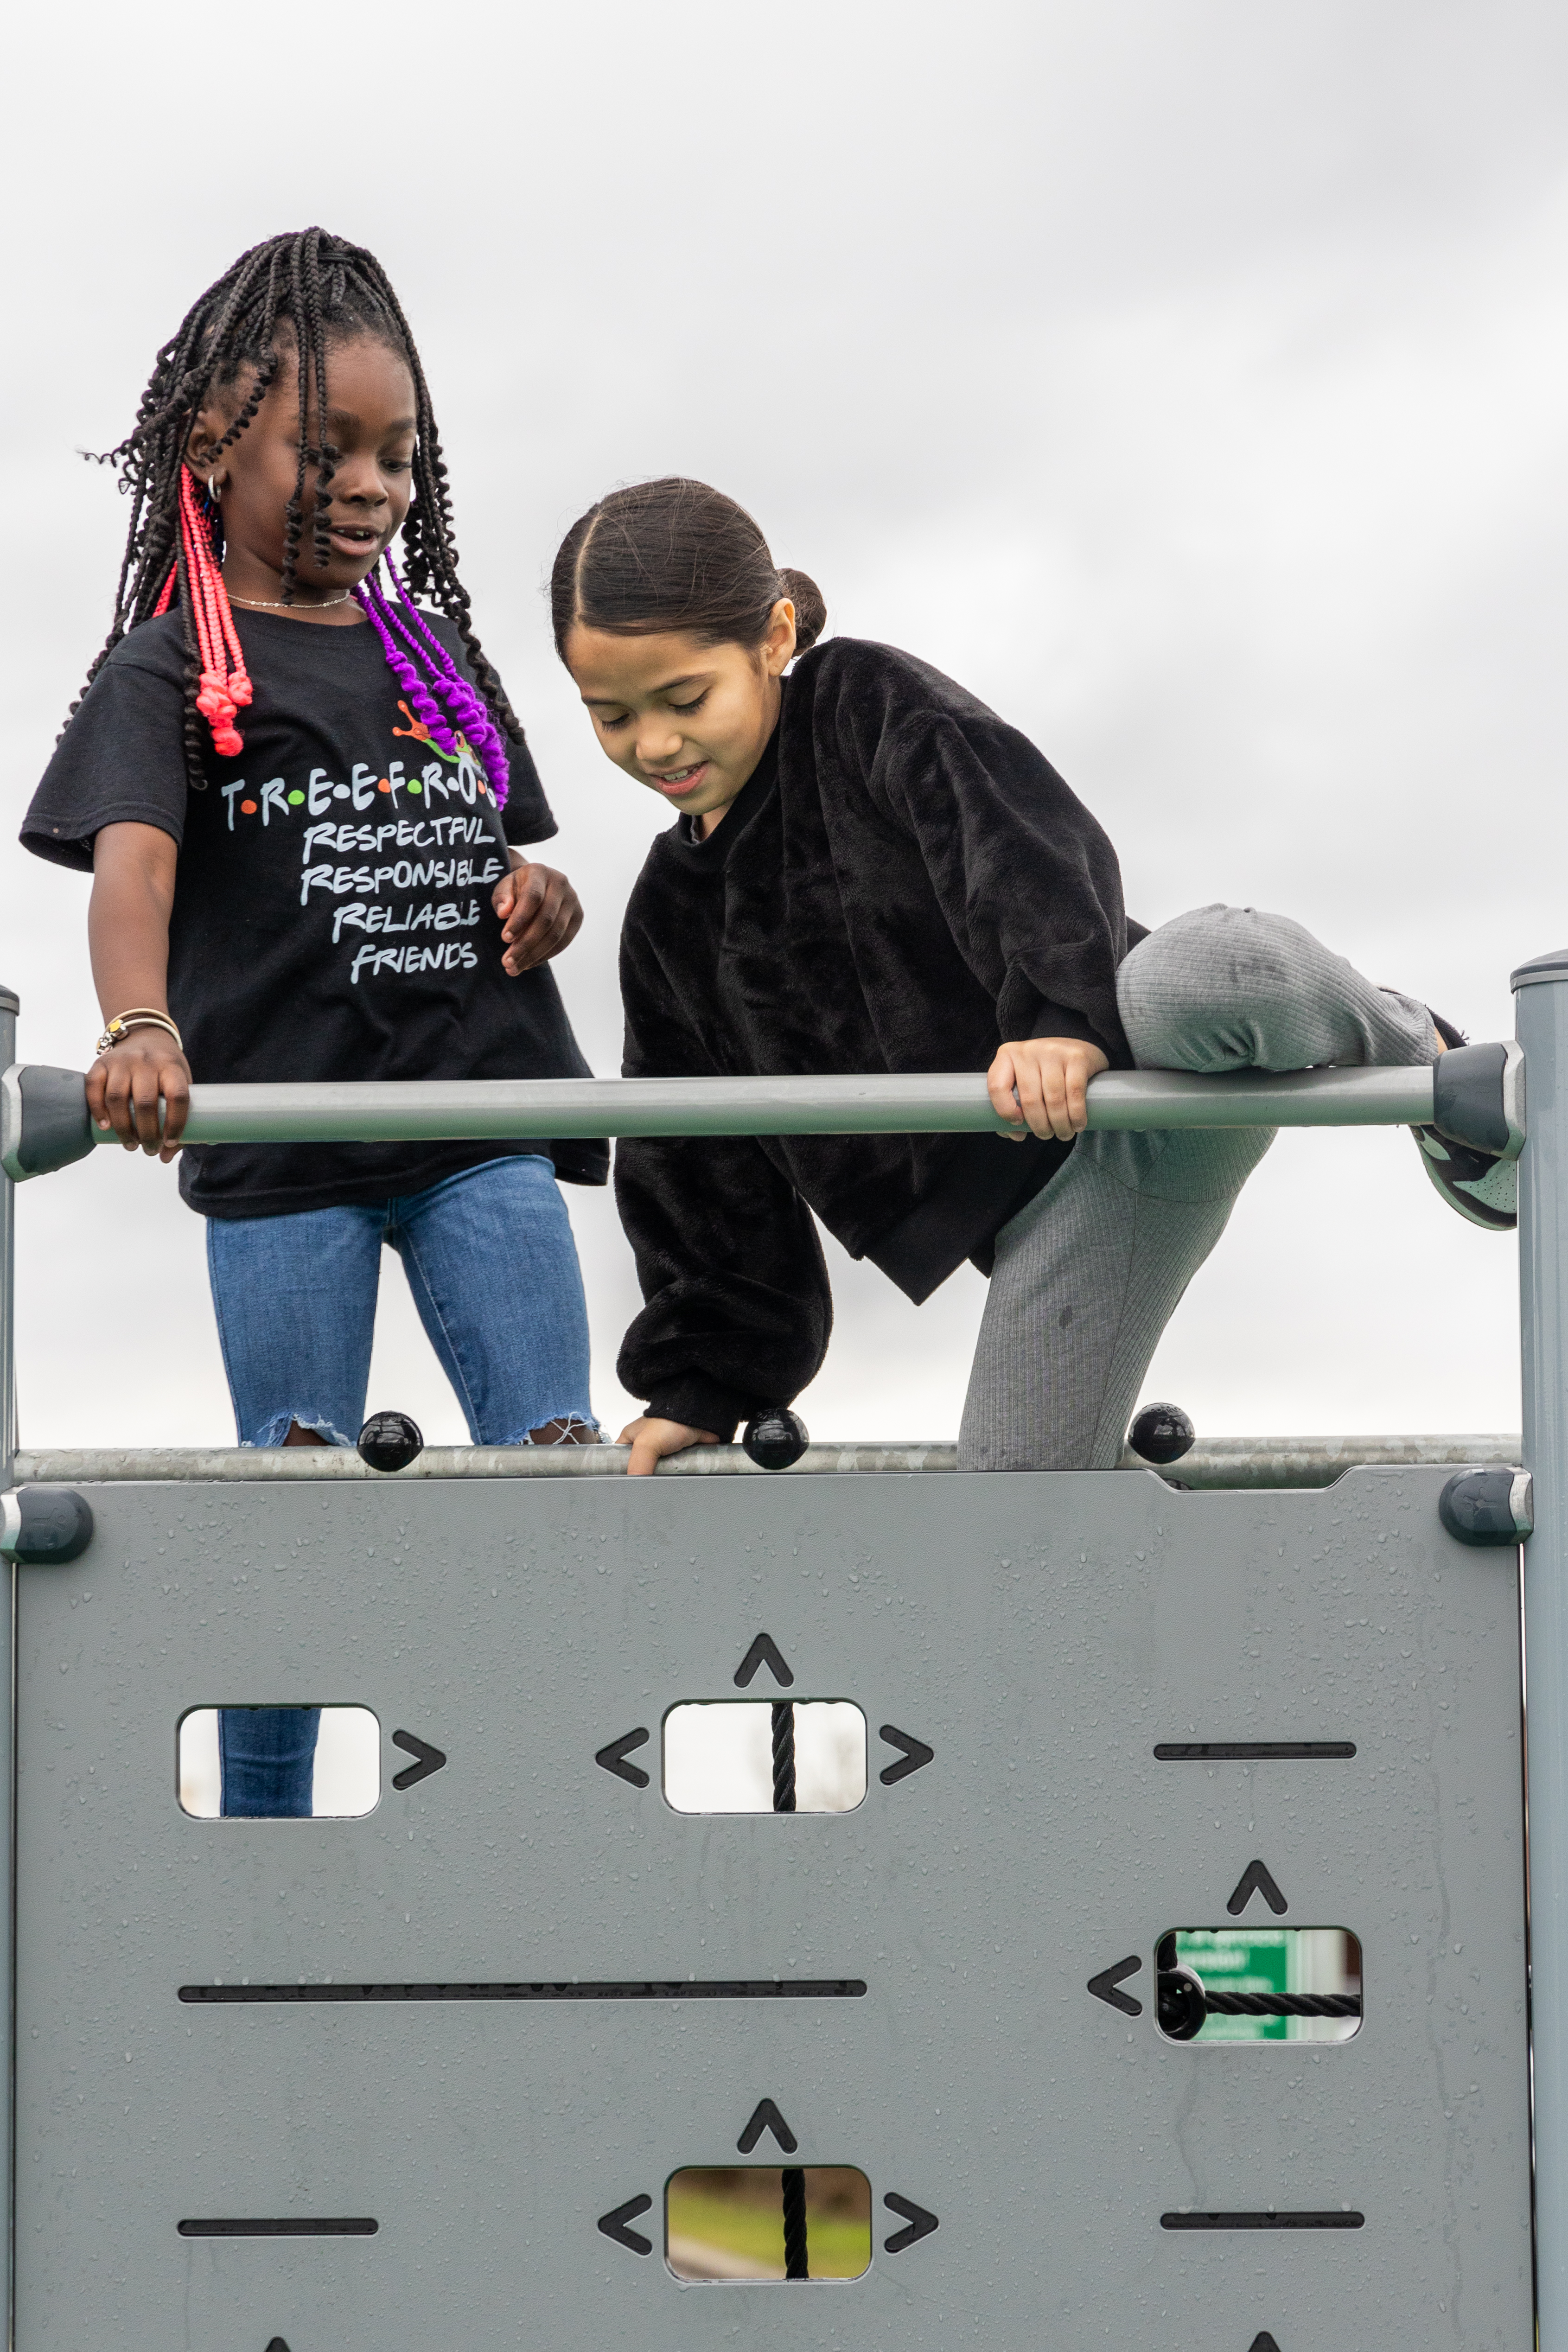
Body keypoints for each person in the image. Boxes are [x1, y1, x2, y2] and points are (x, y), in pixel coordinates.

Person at [548, 476, 1515, 1480]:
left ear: (774, 637)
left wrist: (1057, 1016)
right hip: (1065, 1198)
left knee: (1207, 969)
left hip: (1132, 1056)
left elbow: (1009, 832)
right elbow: (694, 1160)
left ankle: (1439, 1071)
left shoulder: (862, 702)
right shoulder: (668, 918)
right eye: (610, 715)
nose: (653, 743)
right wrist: (705, 1379)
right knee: (1011, 1524)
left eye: (685, 698)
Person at [22, 229, 606, 1815]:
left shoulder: (439, 659)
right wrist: (137, 1023)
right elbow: (129, 874)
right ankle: (265, 1848)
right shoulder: (165, 672)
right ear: (212, 449)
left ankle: (579, 1811)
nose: (373, 485)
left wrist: (540, 899)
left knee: (560, 1461)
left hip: (475, 1133)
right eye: (327, 447)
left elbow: (507, 860)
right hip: (286, 1163)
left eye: (398, 455)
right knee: (295, 1496)